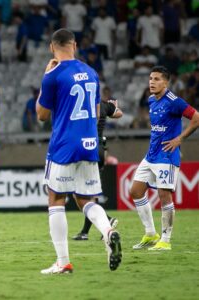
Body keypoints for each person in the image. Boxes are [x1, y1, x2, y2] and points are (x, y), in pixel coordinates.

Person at [36, 29, 122, 275]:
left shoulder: (53, 75)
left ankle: (63, 262)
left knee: (56, 199)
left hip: (64, 145)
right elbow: (96, 112)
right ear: (74, 44)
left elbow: (41, 116)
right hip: (89, 143)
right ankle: (108, 232)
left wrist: (45, 76)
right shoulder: (92, 73)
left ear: (53, 48)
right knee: (85, 199)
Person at [130, 66, 199, 251]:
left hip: (167, 156)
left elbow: (196, 118)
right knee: (135, 191)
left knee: (164, 195)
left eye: (157, 79)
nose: (152, 82)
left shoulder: (174, 101)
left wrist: (180, 139)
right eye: (151, 78)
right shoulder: (151, 100)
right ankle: (151, 234)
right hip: (151, 155)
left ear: (166, 82)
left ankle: (165, 241)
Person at [72, 87, 123, 240]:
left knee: (81, 193)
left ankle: (106, 220)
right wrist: (113, 107)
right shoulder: (104, 105)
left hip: (86, 149)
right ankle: (87, 231)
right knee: (90, 193)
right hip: (100, 150)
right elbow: (119, 113)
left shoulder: (82, 108)